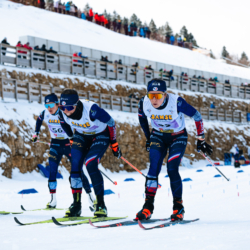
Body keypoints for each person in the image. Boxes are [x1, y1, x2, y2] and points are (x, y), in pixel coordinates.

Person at [136, 79, 212, 222]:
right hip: (158, 136)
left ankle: (178, 207)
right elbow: (142, 118)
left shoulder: (176, 102)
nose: (154, 99)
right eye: (151, 95)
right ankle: (148, 206)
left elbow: (197, 116)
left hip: (178, 137)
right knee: (153, 169)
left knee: (172, 168)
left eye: (158, 96)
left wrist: (200, 138)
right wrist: (148, 137)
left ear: (165, 95)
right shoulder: (144, 102)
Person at [58, 89, 122, 217]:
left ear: (76, 104)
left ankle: (101, 205)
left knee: (91, 164)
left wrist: (114, 143)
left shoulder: (92, 110)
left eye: (69, 107)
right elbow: (63, 122)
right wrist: (71, 138)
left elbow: (111, 122)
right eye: (62, 107)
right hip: (81, 135)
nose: (66, 111)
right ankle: (76, 205)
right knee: (75, 167)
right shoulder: (63, 112)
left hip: (100, 135)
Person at [32, 93, 94, 209]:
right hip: (55, 143)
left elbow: (78, 123)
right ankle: (53, 200)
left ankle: (91, 197)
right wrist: (36, 133)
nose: (49, 108)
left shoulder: (65, 113)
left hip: (68, 144)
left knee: (78, 171)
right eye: (46, 105)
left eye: (51, 105)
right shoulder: (45, 113)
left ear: (57, 104)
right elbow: (39, 120)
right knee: (52, 171)